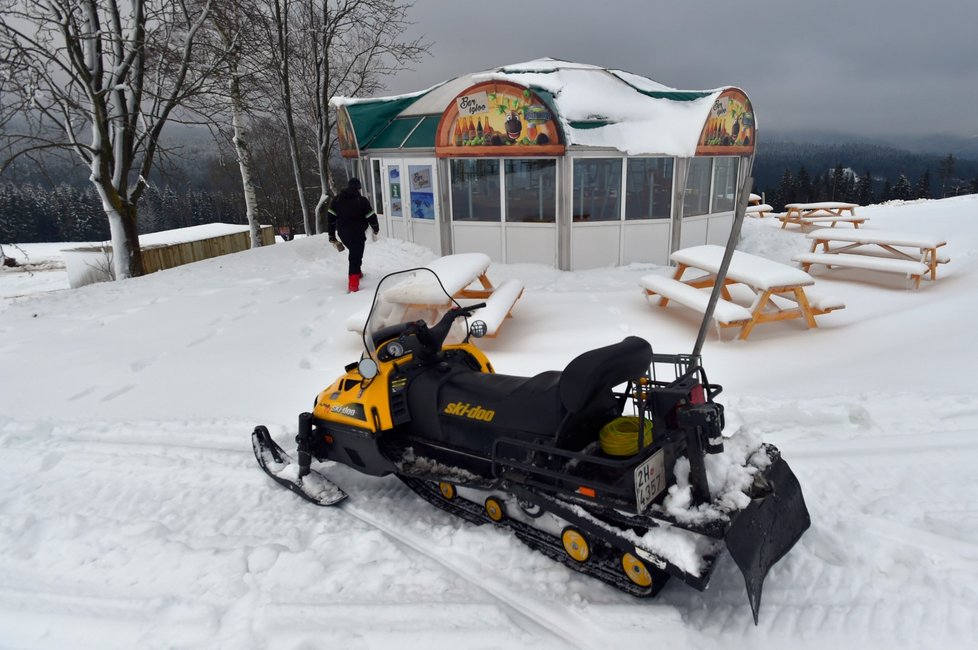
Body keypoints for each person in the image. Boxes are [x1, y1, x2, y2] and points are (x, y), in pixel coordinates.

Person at [327, 177, 379, 292]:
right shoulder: (362, 200)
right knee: (355, 255)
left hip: (343, 233)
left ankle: (358, 272)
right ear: (358, 188)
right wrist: (376, 229)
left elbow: (330, 219)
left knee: (355, 253)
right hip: (357, 233)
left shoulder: (337, 199)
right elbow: (371, 217)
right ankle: (353, 284)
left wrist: (331, 235)